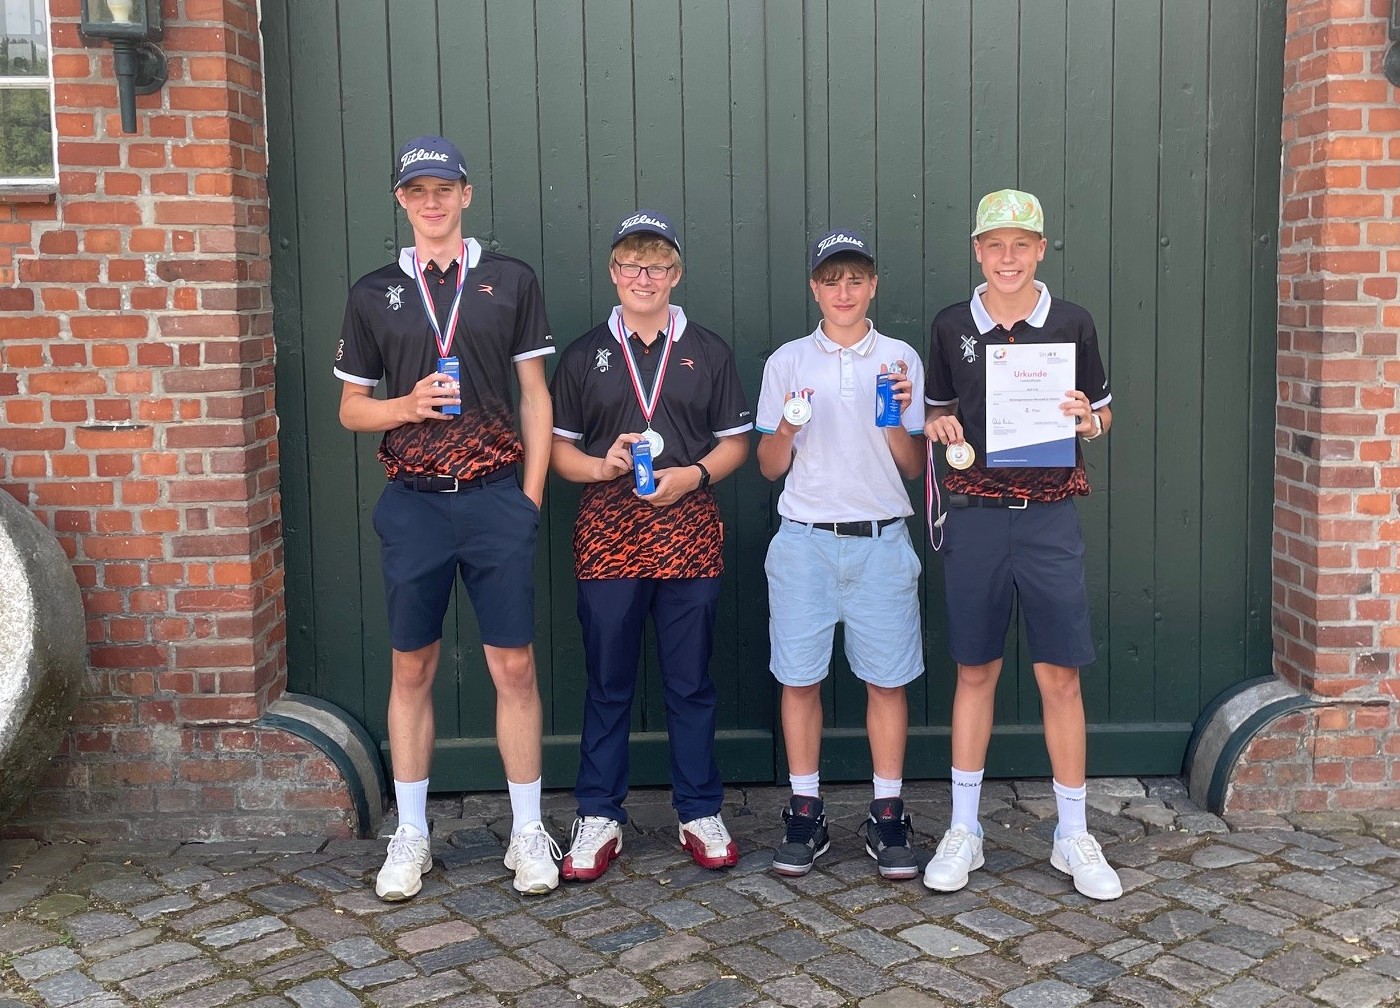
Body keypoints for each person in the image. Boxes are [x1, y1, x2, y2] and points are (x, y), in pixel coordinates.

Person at [334, 135, 561, 900]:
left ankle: (527, 829)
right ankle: (412, 835)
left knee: (514, 666)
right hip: (415, 503)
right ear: (401, 200)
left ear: (466, 194)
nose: (431, 202)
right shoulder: (374, 293)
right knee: (413, 667)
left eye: (444, 189)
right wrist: (405, 405)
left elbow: (536, 396)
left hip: (496, 496)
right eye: (416, 190)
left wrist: (529, 498)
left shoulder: (510, 280)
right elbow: (351, 409)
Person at [921, 189, 1121, 900]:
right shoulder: (952, 325)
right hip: (976, 515)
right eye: (994, 244)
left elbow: (1101, 414)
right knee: (974, 670)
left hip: (1048, 517)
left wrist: (1086, 421)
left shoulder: (1071, 321)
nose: (1008, 257)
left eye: (1021, 244)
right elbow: (938, 412)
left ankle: (1073, 834)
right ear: (978, 251)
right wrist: (938, 427)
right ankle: (964, 829)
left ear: (1041, 249)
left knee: (1059, 675)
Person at [548, 210, 753, 881]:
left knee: (690, 682)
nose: (645, 277)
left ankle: (699, 810)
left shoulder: (708, 350)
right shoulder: (583, 355)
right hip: (607, 537)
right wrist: (600, 465)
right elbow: (558, 453)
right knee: (608, 682)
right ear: (614, 272)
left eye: (658, 265)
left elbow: (736, 443)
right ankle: (598, 813)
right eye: (632, 265)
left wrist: (694, 475)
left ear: (676, 274)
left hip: (689, 535)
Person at [754, 230, 927, 880]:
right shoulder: (788, 361)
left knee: (887, 680)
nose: (844, 292)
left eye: (856, 279)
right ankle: (806, 810)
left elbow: (913, 465)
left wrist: (895, 420)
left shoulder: (901, 358)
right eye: (832, 280)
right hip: (804, 540)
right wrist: (788, 426)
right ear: (814, 288)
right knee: (800, 679)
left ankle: (887, 812)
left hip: (881, 540)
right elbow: (769, 466)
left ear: (873, 285)